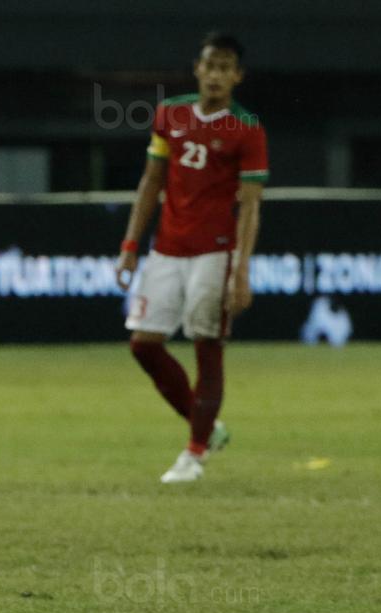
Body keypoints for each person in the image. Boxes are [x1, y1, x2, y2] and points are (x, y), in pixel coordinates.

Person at [114, 32, 267, 483]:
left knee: (207, 346)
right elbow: (151, 182)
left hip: (215, 254)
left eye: (226, 68)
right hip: (167, 248)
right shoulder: (170, 114)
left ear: (237, 76)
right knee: (143, 343)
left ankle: (194, 453)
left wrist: (240, 271)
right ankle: (208, 427)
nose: (216, 74)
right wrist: (129, 246)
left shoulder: (247, 129)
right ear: (197, 69)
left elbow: (251, 205)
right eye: (210, 65)